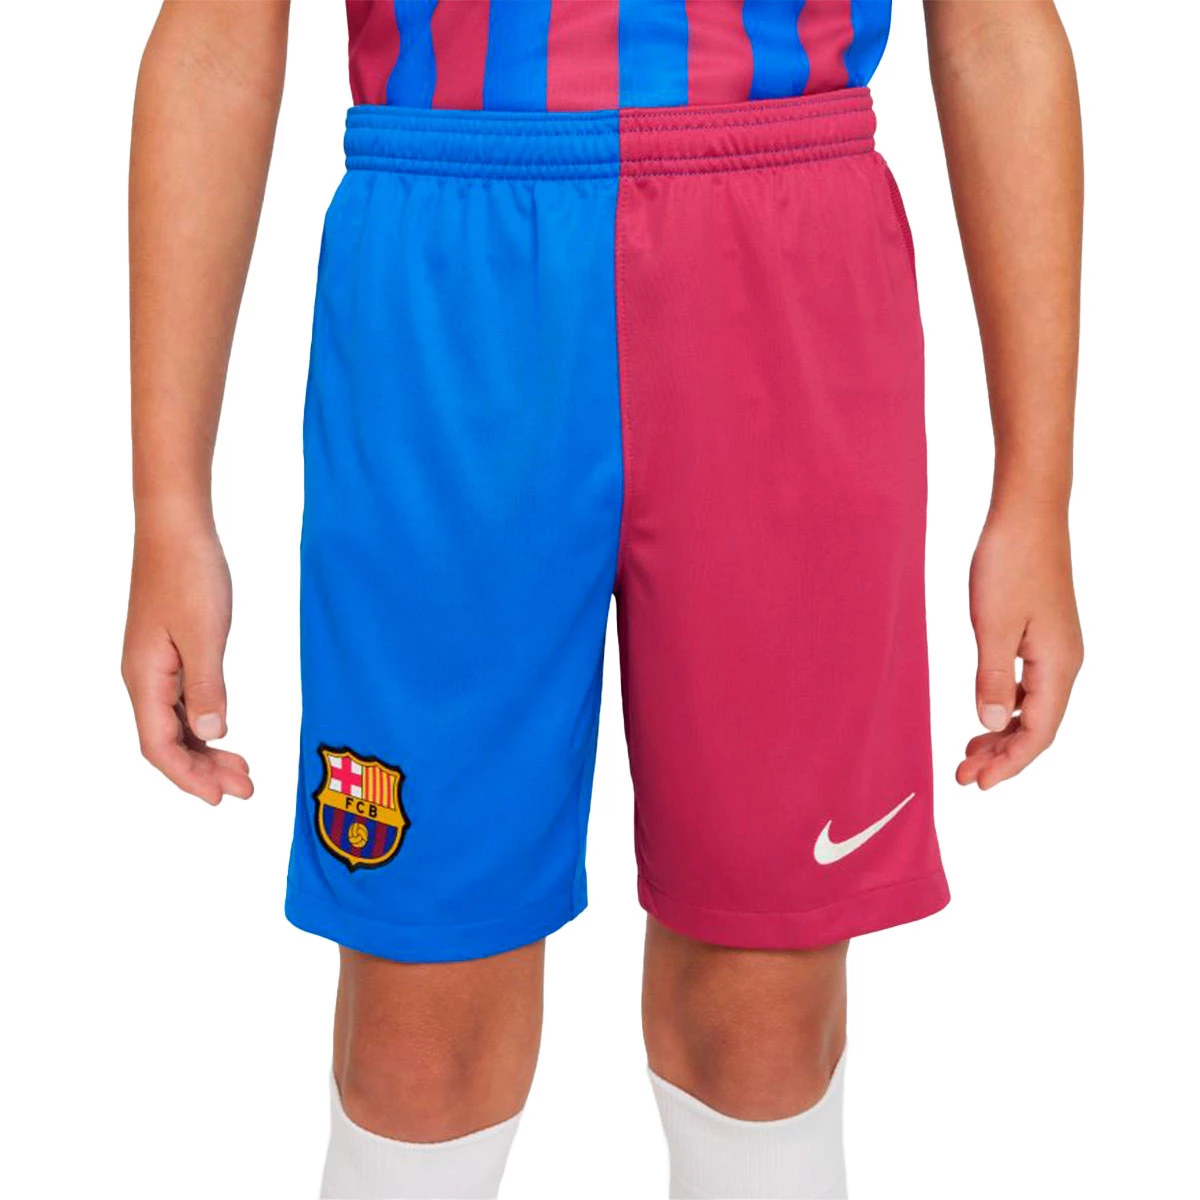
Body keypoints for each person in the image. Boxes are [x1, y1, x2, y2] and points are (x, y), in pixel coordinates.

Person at [122, 2, 1083, 1196]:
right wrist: (168, 506)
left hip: (788, 253)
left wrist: (1035, 494)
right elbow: (216, 39)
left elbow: (998, 33)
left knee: (763, 1022)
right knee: (421, 1033)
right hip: (447, 267)